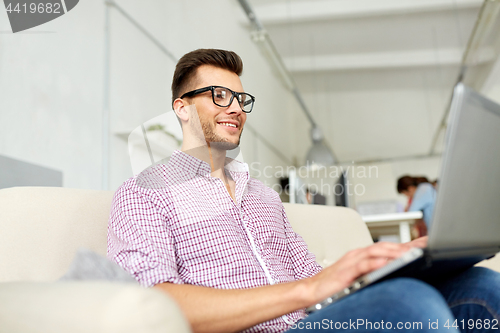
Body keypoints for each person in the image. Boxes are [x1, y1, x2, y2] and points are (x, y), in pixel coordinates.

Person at [108, 49, 500, 333]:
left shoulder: (262, 197)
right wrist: (308, 289)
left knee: (481, 287)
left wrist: (388, 261)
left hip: (311, 323)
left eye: (241, 99)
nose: (236, 108)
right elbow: (151, 304)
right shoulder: (145, 193)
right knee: (410, 305)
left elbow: (316, 279)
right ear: (182, 108)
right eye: (219, 96)